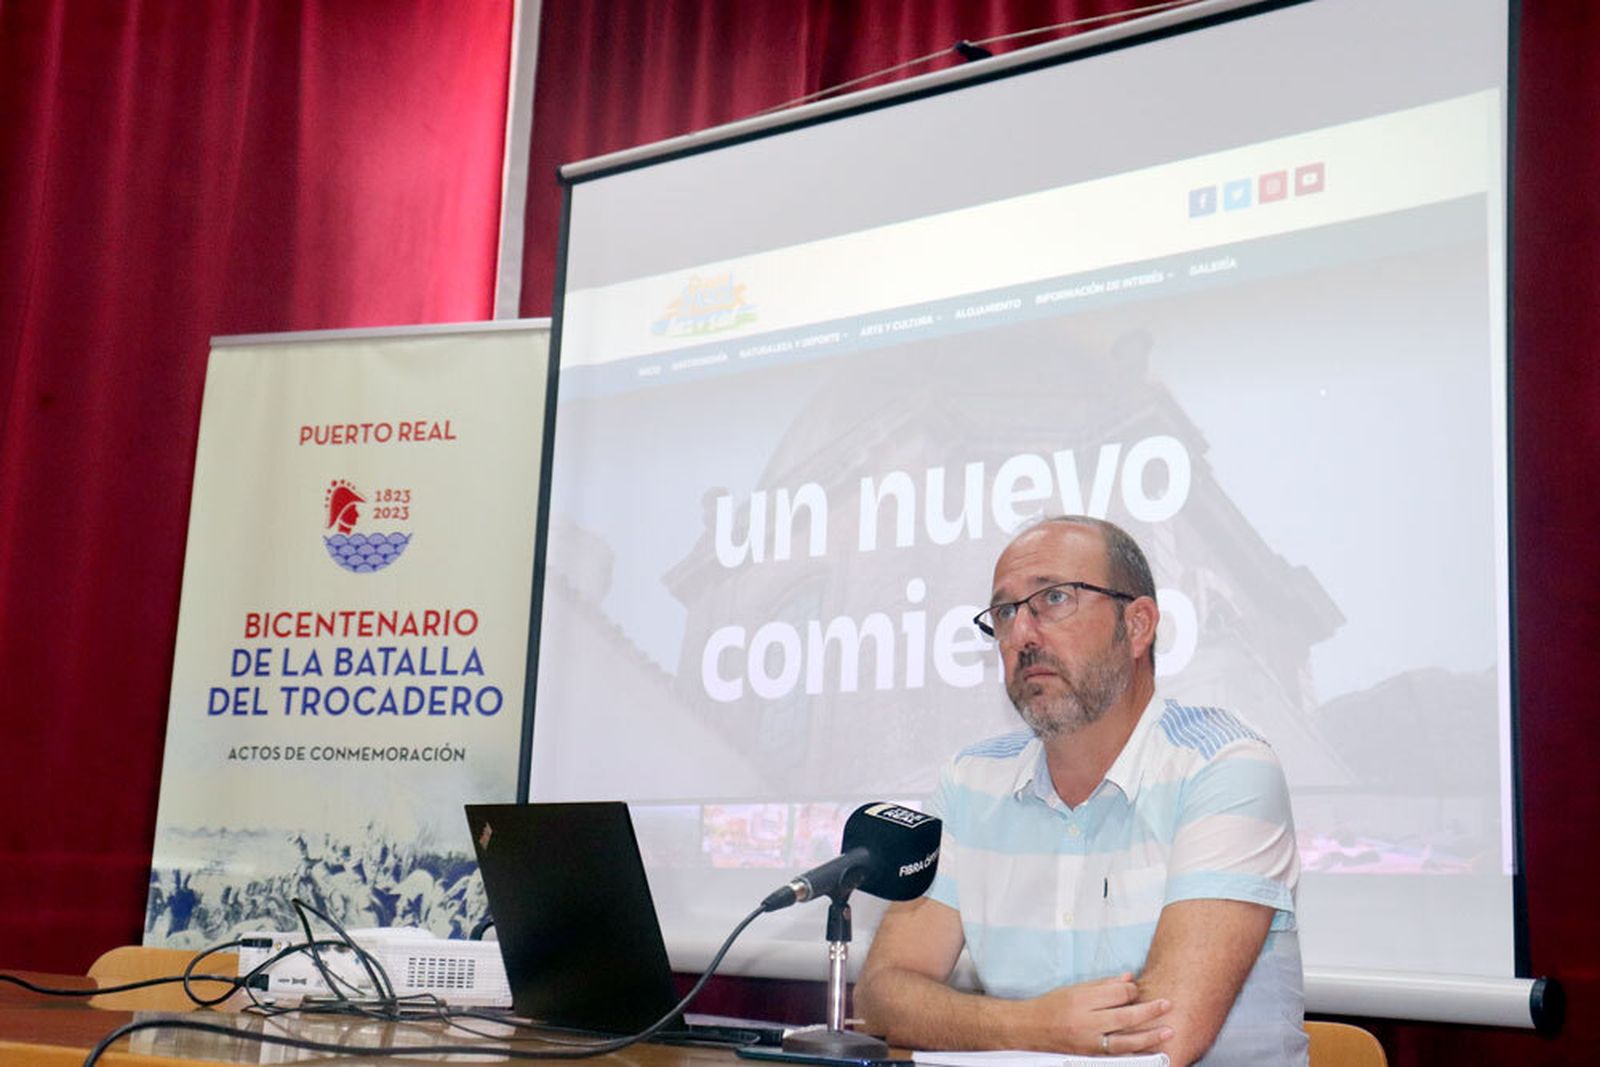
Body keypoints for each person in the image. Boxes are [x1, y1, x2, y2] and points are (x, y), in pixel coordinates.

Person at [855, 516, 1307, 1065]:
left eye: (1054, 599)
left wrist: (1000, 1027)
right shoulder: (971, 782)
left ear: (1137, 625)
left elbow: (1162, 1039)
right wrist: (1037, 1026)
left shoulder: (1224, 766)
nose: (1022, 635)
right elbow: (883, 994)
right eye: (1005, 613)